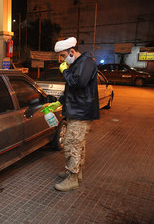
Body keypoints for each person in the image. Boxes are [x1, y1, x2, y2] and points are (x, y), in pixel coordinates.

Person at [42, 37, 99, 192]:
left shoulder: (86, 62)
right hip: (77, 110)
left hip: (81, 112)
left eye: (63, 55)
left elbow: (78, 83)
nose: (62, 59)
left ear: (72, 51)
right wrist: (59, 102)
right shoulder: (77, 64)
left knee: (71, 143)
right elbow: (72, 90)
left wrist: (65, 71)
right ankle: (76, 172)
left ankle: (72, 178)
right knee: (78, 144)